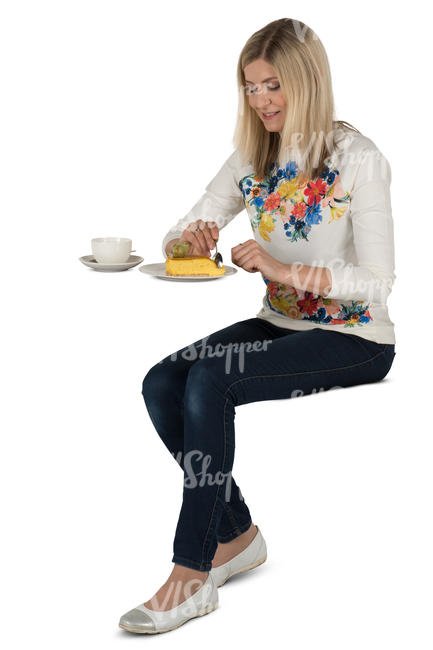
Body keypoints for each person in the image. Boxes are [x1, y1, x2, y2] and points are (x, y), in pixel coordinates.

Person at [119, 17, 396, 635]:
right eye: (250, 87)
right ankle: (236, 535)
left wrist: (279, 266)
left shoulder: (360, 158)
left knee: (211, 380)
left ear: (307, 82)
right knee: (163, 381)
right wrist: (188, 237)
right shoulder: (254, 152)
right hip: (279, 324)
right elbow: (186, 224)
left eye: (273, 85)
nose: (261, 100)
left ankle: (190, 575)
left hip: (355, 337)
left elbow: (379, 280)